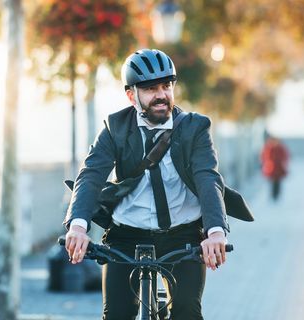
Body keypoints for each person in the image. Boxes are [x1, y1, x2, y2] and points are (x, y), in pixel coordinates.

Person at [63, 48, 230, 320]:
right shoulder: (114, 128)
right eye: (151, 88)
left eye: (166, 86)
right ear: (132, 95)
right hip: (126, 235)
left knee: (187, 312)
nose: (162, 95)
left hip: (182, 234)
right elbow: (91, 175)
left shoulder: (194, 128)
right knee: (115, 314)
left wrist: (215, 232)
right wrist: (78, 227)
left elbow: (208, 178)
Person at [260, 136, 289, 201]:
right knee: (272, 183)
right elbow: (264, 157)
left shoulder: (280, 148)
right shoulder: (268, 148)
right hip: (271, 168)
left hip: (278, 169)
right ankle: (273, 195)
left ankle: (277, 195)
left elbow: (285, 156)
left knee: (278, 183)